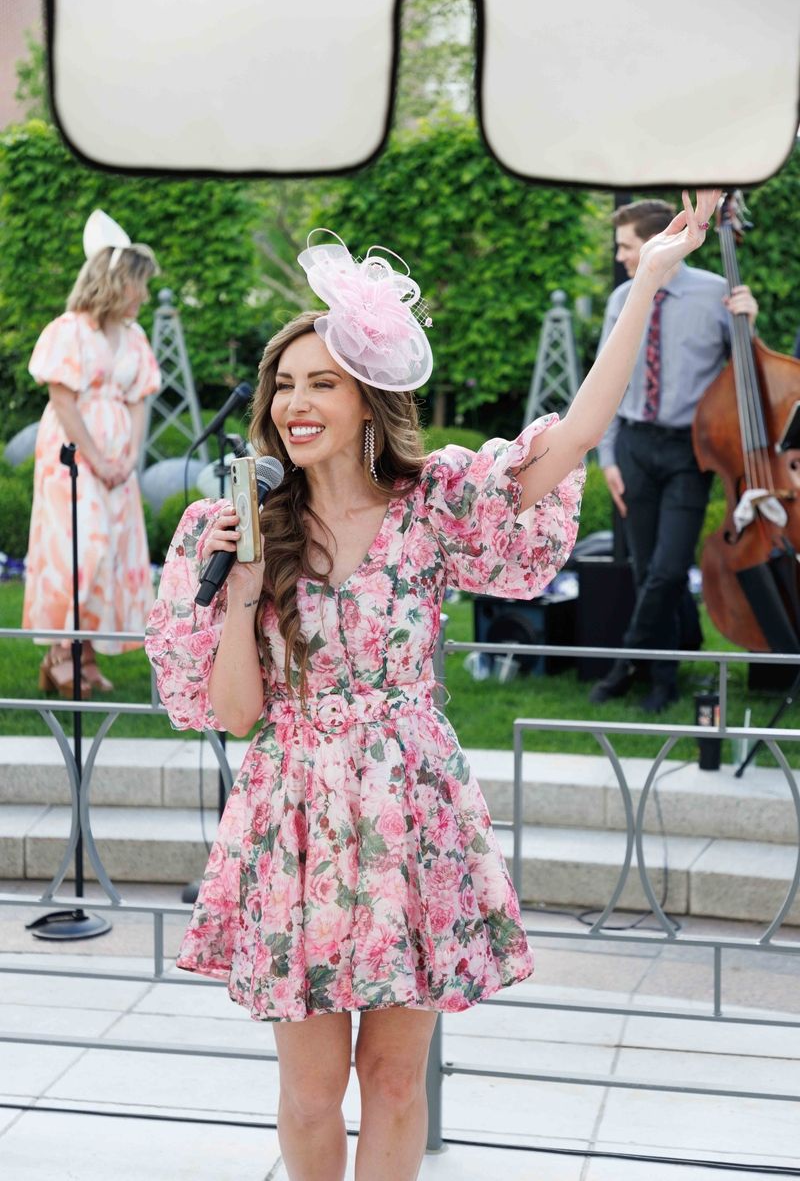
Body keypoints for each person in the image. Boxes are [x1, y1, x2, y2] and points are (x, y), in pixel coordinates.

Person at [145, 198, 717, 1181]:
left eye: (320, 380)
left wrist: (648, 281)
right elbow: (238, 713)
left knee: (398, 1083)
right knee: (310, 1092)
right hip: (297, 815)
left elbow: (578, 433)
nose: (296, 400)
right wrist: (239, 593)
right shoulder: (233, 528)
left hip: (412, 812)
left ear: (366, 396)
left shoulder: (434, 503)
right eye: (283, 383)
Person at [590, 198, 758, 713]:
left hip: (690, 451)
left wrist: (748, 325)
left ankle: (624, 665)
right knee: (646, 569)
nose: (620, 256)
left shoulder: (716, 294)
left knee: (667, 569)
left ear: (656, 240)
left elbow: (746, 376)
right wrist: (609, 457)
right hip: (636, 446)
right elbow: (605, 380)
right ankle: (662, 680)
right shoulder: (622, 298)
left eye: (626, 246)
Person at [23, 210, 161, 696]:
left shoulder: (136, 337)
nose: (143, 296)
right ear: (115, 282)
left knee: (112, 552)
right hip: (72, 455)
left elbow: (140, 399)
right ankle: (60, 652)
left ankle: (83, 655)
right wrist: (97, 458)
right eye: (137, 285)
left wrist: (129, 459)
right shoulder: (69, 330)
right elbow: (62, 399)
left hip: (118, 464)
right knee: (80, 548)